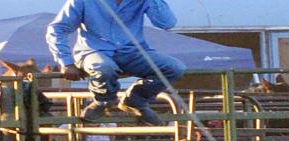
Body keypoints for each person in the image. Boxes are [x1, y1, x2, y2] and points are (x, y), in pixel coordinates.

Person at [45, 0, 186, 125]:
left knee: (175, 68)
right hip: (94, 51)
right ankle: (103, 100)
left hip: (132, 51)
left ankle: (136, 100)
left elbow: (166, 23)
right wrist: (66, 62)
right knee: (104, 67)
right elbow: (58, 29)